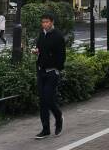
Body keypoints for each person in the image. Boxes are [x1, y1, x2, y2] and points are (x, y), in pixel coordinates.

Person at [34, 11, 66, 139]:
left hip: (52, 72)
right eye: (43, 22)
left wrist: (57, 68)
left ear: (52, 22)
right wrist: (36, 52)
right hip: (41, 71)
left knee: (48, 98)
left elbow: (62, 55)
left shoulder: (58, 36)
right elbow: (40, 49)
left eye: (47, 22)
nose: (44, 24)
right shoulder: (42, 34)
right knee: (42, 101)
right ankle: (45, 129)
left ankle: (58, 117)